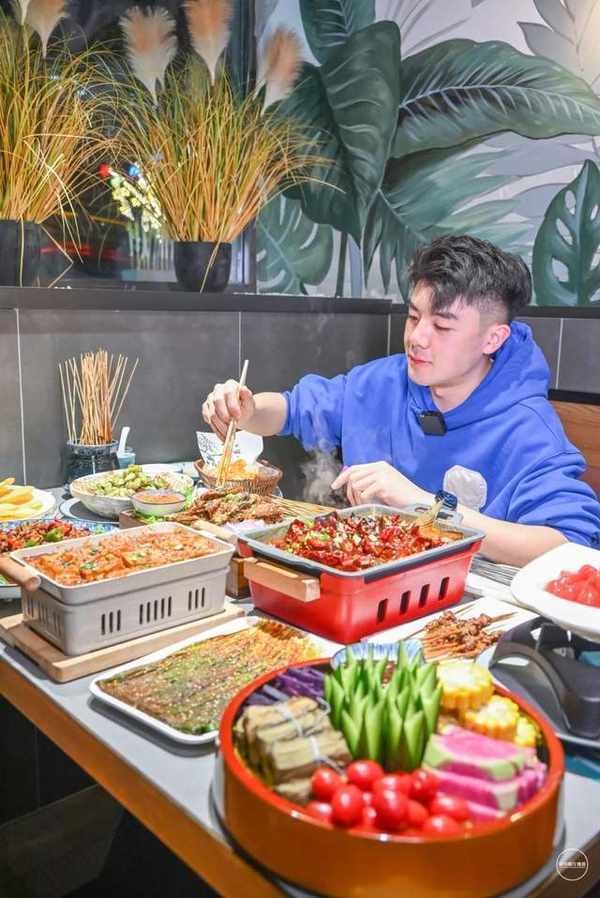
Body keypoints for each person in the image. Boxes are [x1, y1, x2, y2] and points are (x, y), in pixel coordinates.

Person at [202, 235, 600, 565]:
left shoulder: (527, 426)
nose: (417, 338)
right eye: (413, 317)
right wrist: (247, 409)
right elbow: (293, 410)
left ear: (492, 339)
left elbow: (570, 546)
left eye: (441, 326)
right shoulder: (384, 380)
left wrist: (425, 505)